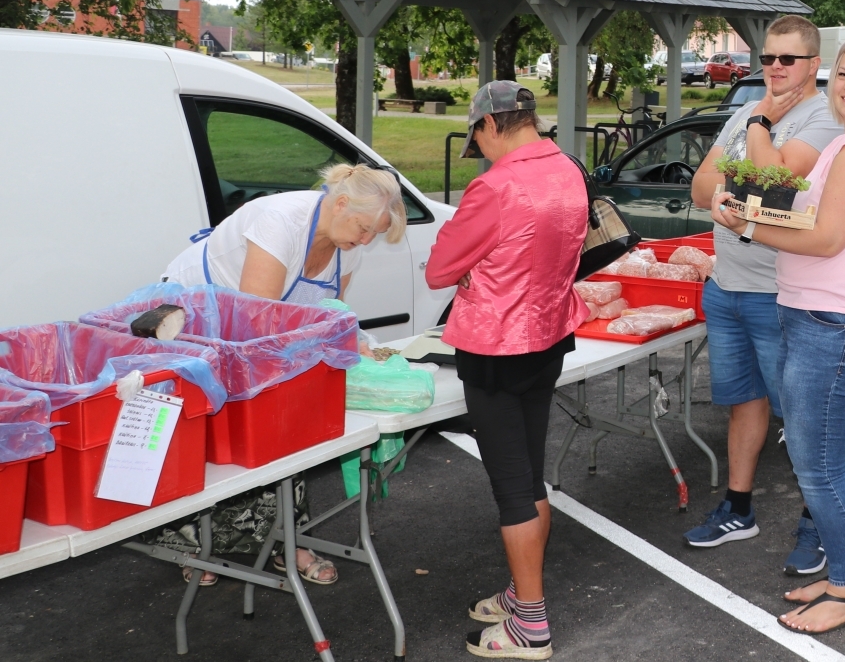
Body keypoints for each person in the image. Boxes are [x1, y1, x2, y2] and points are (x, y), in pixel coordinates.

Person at [711, 33, 845, 636]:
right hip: (825, 318)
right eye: (843, 74)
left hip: (840, 324)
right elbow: (800, 209)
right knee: (825, 461)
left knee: (819, 466)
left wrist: (747, 228)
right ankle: (844, 571)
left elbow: (825, 239)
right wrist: (755, 211)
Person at [157, 163, 407, 586]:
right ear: (341, 203)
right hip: (190, 327)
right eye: (364, 228)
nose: (365, 240)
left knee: (280, 437)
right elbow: (259, 320)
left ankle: (284, 540)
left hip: (253, 341)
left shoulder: (348, 242)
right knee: (206, 442)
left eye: (374, 235)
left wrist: (352, 338)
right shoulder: (281, 221)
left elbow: (330, 312)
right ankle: (192, 547)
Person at [426, 81, 590, 659]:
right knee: (530, 471)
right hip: (549, 335)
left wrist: (475, 272)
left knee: (513, 487)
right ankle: (525, 599)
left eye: (478, 139)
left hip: (495, 344)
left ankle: (532, 626)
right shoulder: (568, 169)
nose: (481, 151)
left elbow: (440, 269)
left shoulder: (494, 186)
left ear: (491, 125)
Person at [685, 15, 842, 574]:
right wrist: (751, 154)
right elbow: (703, 189)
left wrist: (756, 134)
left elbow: (773, 187)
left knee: (804, 415)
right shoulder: (749, 113)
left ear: (813, 65)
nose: (774, 68)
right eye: (768, 59)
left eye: (787, 60)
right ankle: (739, 508)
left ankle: (817, 521)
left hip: (783, 292)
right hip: (727, 286)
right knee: (743, 402)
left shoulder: (823, 118)